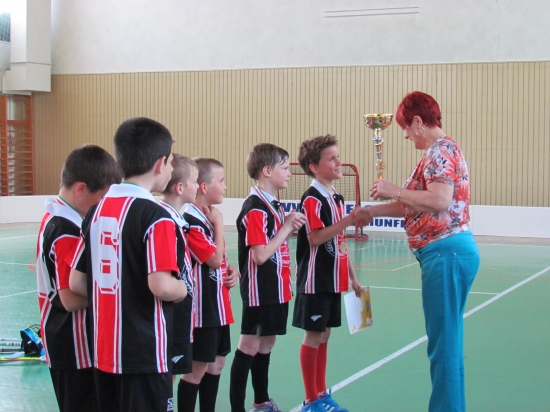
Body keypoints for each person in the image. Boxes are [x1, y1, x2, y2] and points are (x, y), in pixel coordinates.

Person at [367, 91, 480, 412]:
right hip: (448, 253)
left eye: (405, 127)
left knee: (443, 347)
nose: (405, 135)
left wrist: (394, 190)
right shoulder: (439, 151)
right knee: (447, 344)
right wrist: (371, 212)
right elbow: (417, 203)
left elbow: (440, 200)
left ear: (418, 122)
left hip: (445, 252)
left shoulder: (439, 152)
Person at [69, 117, 189, 412]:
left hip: (103, 351)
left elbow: (76, 282)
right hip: (145, 354)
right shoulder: (156, 216)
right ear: (160, 164)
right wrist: (183, 288)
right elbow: (162, 286)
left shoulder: (96, 211)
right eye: (170, 162)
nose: (171, 169)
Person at [36, 145, 120, 412]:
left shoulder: (56, 216)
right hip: (74, 345)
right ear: (81, 189)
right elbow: (70, 298)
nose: (103, 205)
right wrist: (120, 290)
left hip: (68, 341)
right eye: (102, 197)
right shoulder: (67, 230)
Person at [293, 134, 368, 412]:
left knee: (324, 335)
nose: (339, 162)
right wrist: (349, 220)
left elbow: (341, 241)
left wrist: (353, 278)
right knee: (313, 336)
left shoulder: (336, 197)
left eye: (338, 157)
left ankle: (321, 394)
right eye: (332, 158)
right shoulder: (312, 199)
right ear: (315, 167)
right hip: (315, 279)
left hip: (334, 279)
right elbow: (315, 238)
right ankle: (310, 400)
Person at [230, 143, 306, 412]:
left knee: (267, 343)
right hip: (259, 290)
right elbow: (260, 255)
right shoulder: (255, 208)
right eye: (284, 168)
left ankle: (261, 401)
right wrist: (286, 228)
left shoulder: (272, 204)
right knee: (249, 346)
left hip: (276, 287)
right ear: (266, 171)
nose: (289, 173)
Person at [180, 158, 238, 412]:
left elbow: (219, 260)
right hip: (203, 310)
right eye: (221, 181)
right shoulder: (192, 221)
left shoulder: (207, 217)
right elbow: (213, 259)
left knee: (216, 363)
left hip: (219, 305)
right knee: (196, 369)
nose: (225, 187)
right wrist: (219, 224)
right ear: (204, 186)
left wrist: (231, 270)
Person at [158, 154, 199, 393]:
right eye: (195, 181)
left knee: (170, 378)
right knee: (165, 379)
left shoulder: (177, 220)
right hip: (171, 315)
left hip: (180, 313)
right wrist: (182, 288)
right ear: (180, 187)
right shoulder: (165, 221)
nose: (198, 186)